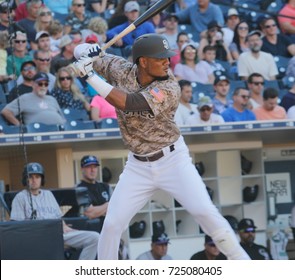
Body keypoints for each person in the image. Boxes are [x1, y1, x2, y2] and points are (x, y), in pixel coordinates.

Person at [72, 33, 250, 260]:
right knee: (112, 224)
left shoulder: (169, 86)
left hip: (173, 160)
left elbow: (130, 104)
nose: (168, 62)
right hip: (138, 165)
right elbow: (79, 51)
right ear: (143, 61)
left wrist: (89, 76)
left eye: (168, 57)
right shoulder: (120, 69)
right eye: (161, 58)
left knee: (204, 212)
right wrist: (89, 51)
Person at [10, 162, 99, 260]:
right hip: (38, 238)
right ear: (25, 179)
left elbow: (59, 218)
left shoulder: (49, 195)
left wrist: (66, 227)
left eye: (37, 177)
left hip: (59, 235)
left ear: (42, 179)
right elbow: (16, 228)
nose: (34, 180)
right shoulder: (20, 198)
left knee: (94, 238)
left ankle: (80, 272)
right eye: (30, 177)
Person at [65, 155, 112, 233]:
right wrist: (108, 205)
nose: (92, 170)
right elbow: (90, 213)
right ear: (82, 169)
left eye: (95, 167)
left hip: (108, 231)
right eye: (89, 167)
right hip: (89, 232)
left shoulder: (106, 187)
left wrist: (99, 210)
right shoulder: (78, 188)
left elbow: (116, 209)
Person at [1, 72, 66, 126]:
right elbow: (6, 111)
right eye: (40, 84)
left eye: (46, 84)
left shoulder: (52, 99)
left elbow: (62, 117)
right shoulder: (25, 98)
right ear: (33, 84)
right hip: (37, 134)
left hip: (59, 132)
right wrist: (20, 126)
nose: (43, 86)